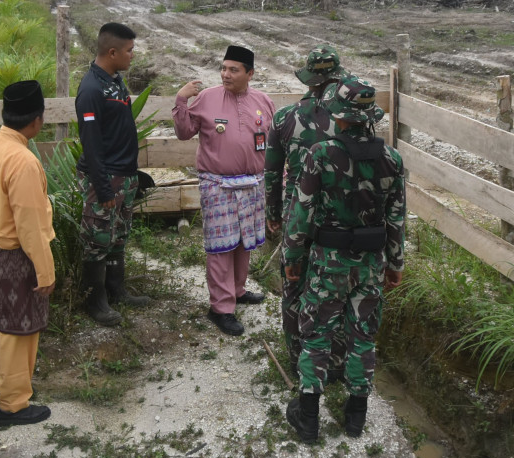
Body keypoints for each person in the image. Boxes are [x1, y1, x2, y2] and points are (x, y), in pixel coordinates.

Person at [282, 76, 406, 443]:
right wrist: (395, 264)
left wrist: (292, 257)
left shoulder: (320, 155)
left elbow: (301, 213)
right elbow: (396, 219)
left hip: (327, 262)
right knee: (362, 335)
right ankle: (355, 418)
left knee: (317, 334)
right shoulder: (392, 159)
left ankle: (307, 419)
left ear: (340, 117)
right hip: (371, 263)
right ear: (370, 118)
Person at [0, 80, 56, 426]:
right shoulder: (23, 161)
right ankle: (13, 405)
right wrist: (45, 272)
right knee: (20, 329)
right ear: (37, 120)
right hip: (15, 253)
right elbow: (30, 226)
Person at [173, 44, 275, 336]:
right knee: (221, 246)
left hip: (253, 183)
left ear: (250, 73)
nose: (225, 74)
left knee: (244, 241)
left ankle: (237, 290)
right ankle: (221, 308)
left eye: (233, 70)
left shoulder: (263, 101)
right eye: (223, 68)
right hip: (217, 184)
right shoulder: (206, 98)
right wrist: (181, 99)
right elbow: (183, 133)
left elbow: (272, 142)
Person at [264, 44, 349, 375]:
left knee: (294, 287)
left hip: (295, 217)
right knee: (335, 289)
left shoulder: (285, 117)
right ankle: (336, 363)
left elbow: (272, 173)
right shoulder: (348, 118)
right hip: (339, 218)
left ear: (310, 80)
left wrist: (273, 214)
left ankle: (298, 359)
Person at [76, 22, 151, 327]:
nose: (133, 55)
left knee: (118, 235)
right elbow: (91, 144)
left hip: (124, 174)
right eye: (129, 50)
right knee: (97, 237)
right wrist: (104, 189)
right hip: (105, 177)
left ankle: (116, 289)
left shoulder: (114, 80)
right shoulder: (91, 90)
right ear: (112, 52)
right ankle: (95, 301)